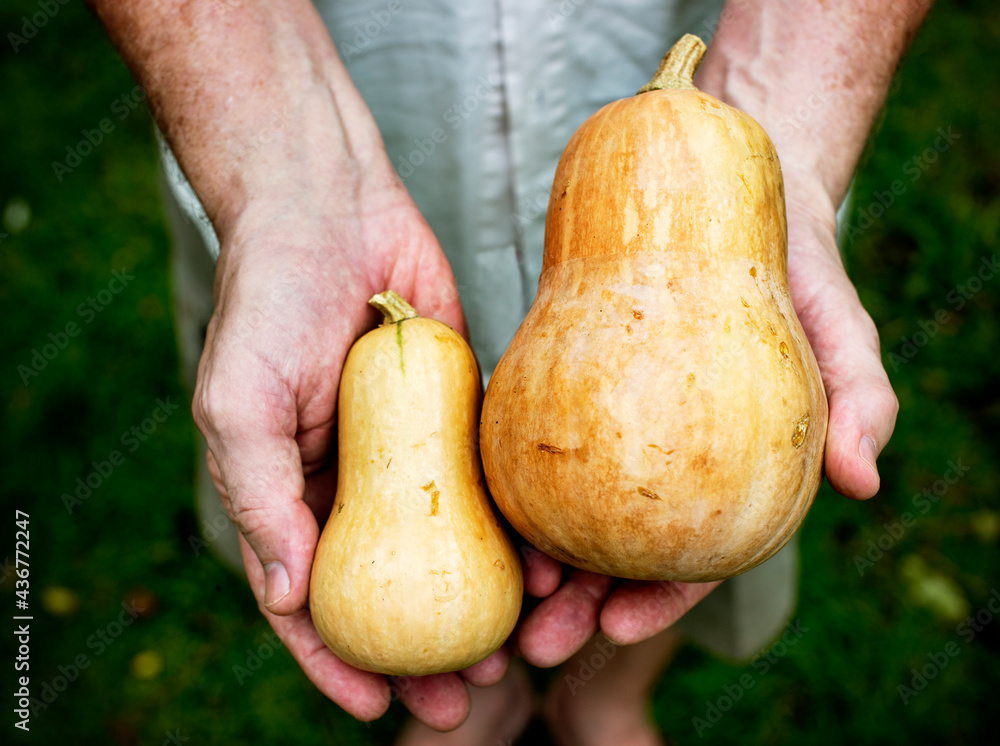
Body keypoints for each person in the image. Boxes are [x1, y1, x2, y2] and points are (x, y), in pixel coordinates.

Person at [89, 0, 926, 743]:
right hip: (332, 104)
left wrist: (799, 146)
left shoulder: (724, 149)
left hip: (745, 55)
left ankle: (602, 702)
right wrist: (283, 184)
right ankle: (489, 711)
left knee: (688, 518)